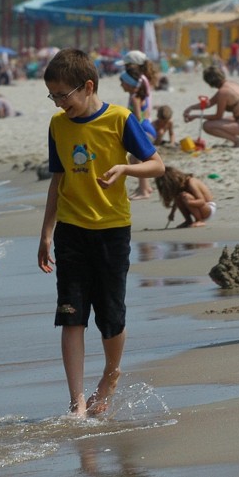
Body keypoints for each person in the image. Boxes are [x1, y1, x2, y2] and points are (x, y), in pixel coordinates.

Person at [38, 48, 164, 417]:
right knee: (71, 314)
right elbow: (57, 180)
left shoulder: (120, 119)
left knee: (110, 316)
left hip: (111, 230)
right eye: (53, 96)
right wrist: (47, 232)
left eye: (64, 95)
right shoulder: (57, 125)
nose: (60, 104)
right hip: (71, 231)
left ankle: (110, 374)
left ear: (87, 85)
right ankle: (76, 400)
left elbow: (157, 165)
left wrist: (126, 171)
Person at [183, 66, 239, 147]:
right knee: (227, 119)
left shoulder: (223, 92)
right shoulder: (231, 84)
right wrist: (191, 108)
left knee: (207, 126)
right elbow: (209, 103)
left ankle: (237, 141)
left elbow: (217, 116)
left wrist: (196, 116)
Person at [119, 66, 157, 200]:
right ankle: (145, 187)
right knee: (134, 159)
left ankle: (143, 190)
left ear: (129, 83)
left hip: (144, 130)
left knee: (137, 159)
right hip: (149, 129)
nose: (121, 85)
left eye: (122, 82)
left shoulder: (135, 98)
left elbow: (137, 119)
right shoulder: (140, 95)